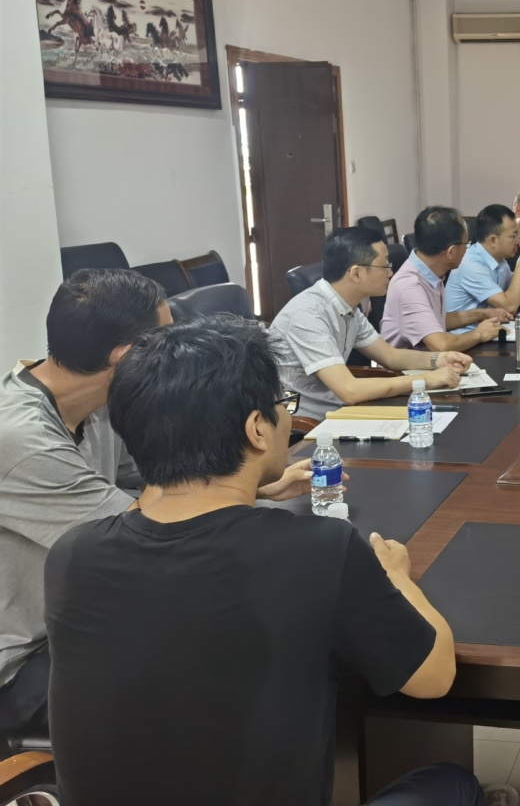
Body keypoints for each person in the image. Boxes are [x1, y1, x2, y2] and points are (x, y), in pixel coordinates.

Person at [44, 317, 486, 806]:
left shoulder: (72, 555)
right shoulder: (319, 549)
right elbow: (433, 677)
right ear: (257, 428)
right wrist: (398, 577)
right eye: (283, 405)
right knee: (452, 783)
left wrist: (250, 490)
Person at [0, 270, 315, 737]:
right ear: (125, 356)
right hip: (25, 661)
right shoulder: (22, 440)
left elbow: (165, 480)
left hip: (86, 612)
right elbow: (144, 533)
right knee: (221, 674)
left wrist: (260, 486)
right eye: (166, 340)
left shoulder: (99, 403)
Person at [269, 227, 471, 421]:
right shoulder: (307, 315)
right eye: (385, 266)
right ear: (356, 273)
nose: (390, 273)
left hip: (339, 412)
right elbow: (349, 390)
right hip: (307, 424)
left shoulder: (348, 308)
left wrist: (439, 359)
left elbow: (390, 356)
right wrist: (425, 380)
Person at [381, 207, 513, 352]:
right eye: (466, 244)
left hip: (429, 360)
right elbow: (441, 345)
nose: (467, 249)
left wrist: (482, 314)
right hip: (409, 365)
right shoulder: (410, 286)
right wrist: (479, 334)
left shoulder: (430, 271)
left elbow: (435, 320)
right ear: (451, 252)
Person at [446, 204, 520, 328]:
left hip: (488, 330)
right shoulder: (471, 264)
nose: (518, 240)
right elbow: (510, 307)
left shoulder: (500, 261)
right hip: (463, 334)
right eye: (514, 235)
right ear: (493, 240)